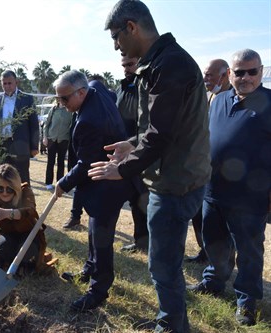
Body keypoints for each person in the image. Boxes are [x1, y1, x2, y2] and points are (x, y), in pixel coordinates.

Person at [90, 1, 212, 331]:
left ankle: (172, 325)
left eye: (116, 36)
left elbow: (160, 136)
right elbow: (161, 127)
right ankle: (169, 318)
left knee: (163, 264)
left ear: (132, 27)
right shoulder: (159, 61)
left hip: (176, 181)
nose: (116, 45)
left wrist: (123, 168)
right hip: (175, 174)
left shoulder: (169, 64)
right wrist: (132, 144)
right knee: (163, 262)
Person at [187, 49, 271, 327]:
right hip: (213, 191)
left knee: (249, 251)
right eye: (239, 72)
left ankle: (246, 300)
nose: (245, 77)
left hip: (251, 197)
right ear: (229, 75)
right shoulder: (219, 100)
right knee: (214, 242)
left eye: (252, 71)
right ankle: (213, 281)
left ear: (261, 72)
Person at [54, 70, 136, 311]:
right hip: (102, 180)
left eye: (65, 99)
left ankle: (98, 290)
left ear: (81, 93)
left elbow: (85, 164)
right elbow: (106, 90)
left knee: (101, 238)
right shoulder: (95, 88)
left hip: (108, 184)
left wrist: (63, 183)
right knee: (92, 231)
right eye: (58, 99)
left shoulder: (89, 121)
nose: (61, 104)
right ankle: (89, 270)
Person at [186, 58, 231, 264]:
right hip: (202, 168)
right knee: (199, 214)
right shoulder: (208, 96)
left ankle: (223, 261)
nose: (206, 79)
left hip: (225, 173)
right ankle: (205, 251)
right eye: (205, 74)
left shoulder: (233, 99)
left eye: (210, 75)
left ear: (225, 75)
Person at [0, 163, 46, 273]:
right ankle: (13, 266)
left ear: (16, 187)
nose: (5, 193)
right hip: (7, 234)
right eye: (0, 189)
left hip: (28, 234)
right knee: (2, 248)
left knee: (27, 249)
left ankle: (25, 266)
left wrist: (7, 213)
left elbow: (30, 211)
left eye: (9, 189)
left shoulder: (25, 191)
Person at [115, 55, 149, 253]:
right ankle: (140, 241)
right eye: (124, 65)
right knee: (135, 200)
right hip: (124, 152)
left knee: (145, 199)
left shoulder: (146, 86)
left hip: (144, 151)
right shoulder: (121, 88)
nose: (127, 68)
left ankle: (151, 242)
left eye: (130, 64)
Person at [0, 70, 39, 184]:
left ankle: (25, 201)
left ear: (16, 82)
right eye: (4, 83)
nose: (7, 86)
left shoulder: (27, 99)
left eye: (10, 83)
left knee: (22, 176)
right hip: (2, 144)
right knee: (3, 176)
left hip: (21, 144)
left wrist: (34, 146)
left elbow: (34, 124)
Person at [43, 100, 72, 191]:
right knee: (50, 162)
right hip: (51, 139)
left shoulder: (70, 111)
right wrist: (45, 137)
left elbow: (71, 126)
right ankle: (48, 183)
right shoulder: (53, 109)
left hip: (64, 140)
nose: (61, 100)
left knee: (61, 162)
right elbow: (46, 125)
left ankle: (60, 183)